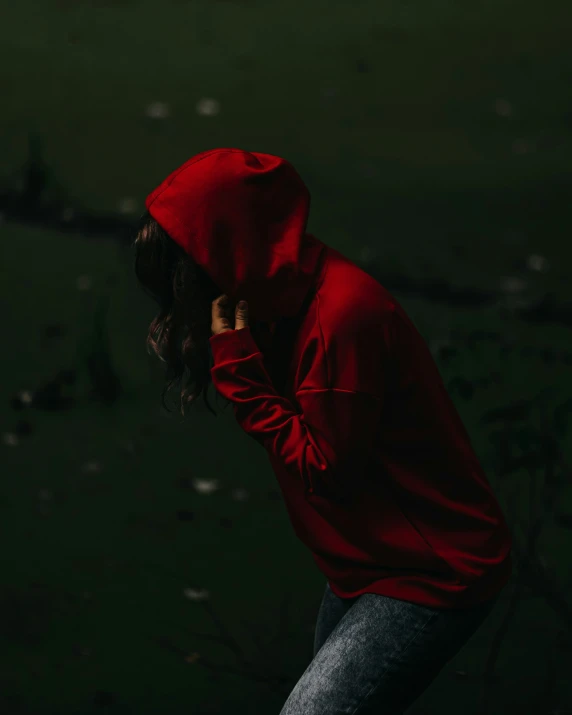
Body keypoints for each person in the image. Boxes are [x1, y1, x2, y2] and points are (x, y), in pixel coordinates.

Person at [133, 148, 513, 714]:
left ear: (223, 249)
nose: (178, 292)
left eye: (183, 268)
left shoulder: (341, 315)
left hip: (431, 570)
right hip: (360, 562)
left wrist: (237, 368)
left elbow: (327, 471)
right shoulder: (261, 299)